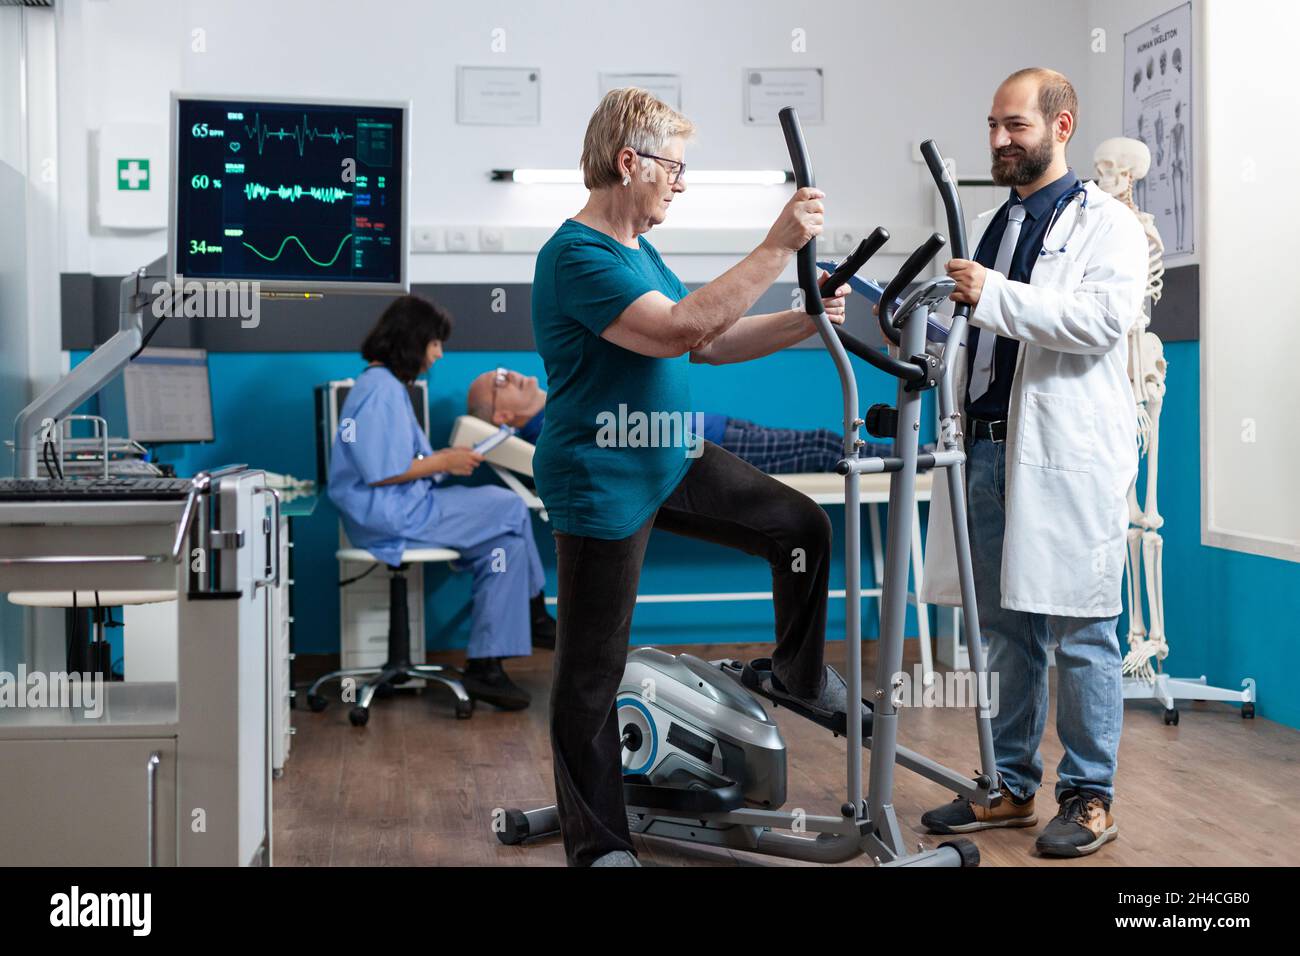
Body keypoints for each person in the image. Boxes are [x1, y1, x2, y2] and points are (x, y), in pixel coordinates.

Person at [532, 88, 857, 867]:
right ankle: (599, 847)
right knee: (590, 676)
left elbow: (705, 343)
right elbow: (677, 328)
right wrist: (778, 245)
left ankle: (798, 674)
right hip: (603, 473)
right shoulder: (577, 255)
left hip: (668, 454)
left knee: (799, 527)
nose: (680, 183)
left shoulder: (640, 252)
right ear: (628, 162)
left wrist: (804, 318)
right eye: (673, 168)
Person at [919, 68, 1148, 858]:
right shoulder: (994, 224)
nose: (998, 141)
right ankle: (1011, 786)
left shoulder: (1106, 224)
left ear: (1061, 126)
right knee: (1006, 633)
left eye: (1014, 126)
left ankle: (1089, 797)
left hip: (1063, 459)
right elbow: (972, 334)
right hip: (985, 455)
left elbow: (1098, 320)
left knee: (1084, 629)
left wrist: (991, 295)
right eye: (992, 125)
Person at [327, 295, 558, 712]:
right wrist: (445, 461)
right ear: (414, 341)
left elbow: (394, 461)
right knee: (507, 506)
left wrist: (445, 463)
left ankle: (486, 666)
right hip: (391, 513)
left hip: (401, 505)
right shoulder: (380, 390)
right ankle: (537, 613)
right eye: (435, 343)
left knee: (505, 550)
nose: (438, 354)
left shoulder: (385, 387)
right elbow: (381, 470)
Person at [466, 367, 892, 474]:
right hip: (714, 446)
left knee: (819, 440)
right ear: (503, 415)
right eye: (499, 382)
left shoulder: (561, 402)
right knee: (821, 447)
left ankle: (911, 456)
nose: (511, 374)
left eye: (503, 370)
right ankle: (914, 459)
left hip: (719, 428)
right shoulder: (554, 426)